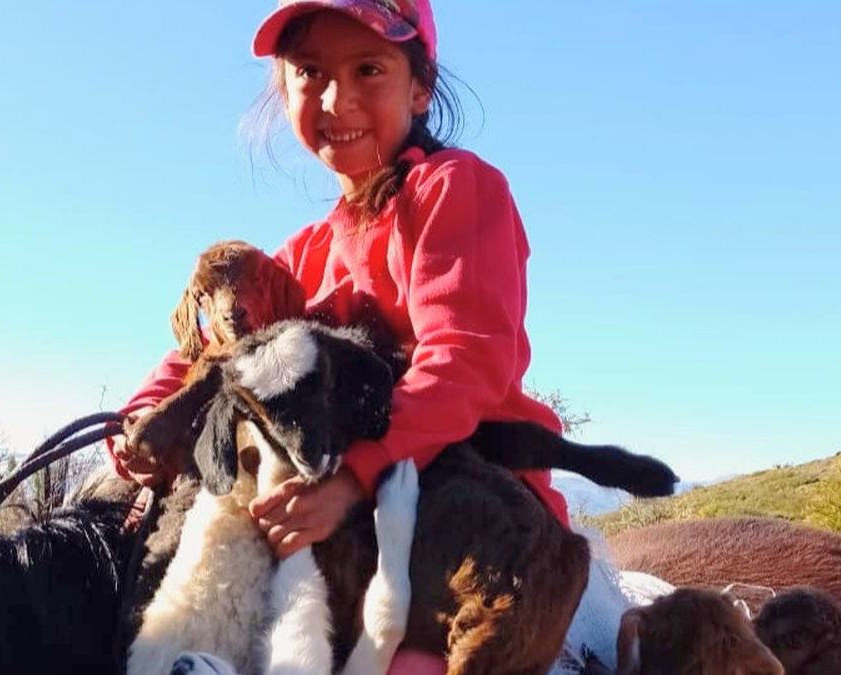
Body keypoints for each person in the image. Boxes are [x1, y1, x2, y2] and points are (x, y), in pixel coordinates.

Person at [111, 1, 570, 671]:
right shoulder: (304, 255)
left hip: (472, 512)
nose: (336, 97)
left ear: (419, 86)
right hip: (350, 522)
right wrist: (138, 423)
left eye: (368, 69)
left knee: (412, 662)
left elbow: (463, 356)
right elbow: (216, 357)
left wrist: (351, 480)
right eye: (310, 71)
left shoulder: (456, 190)